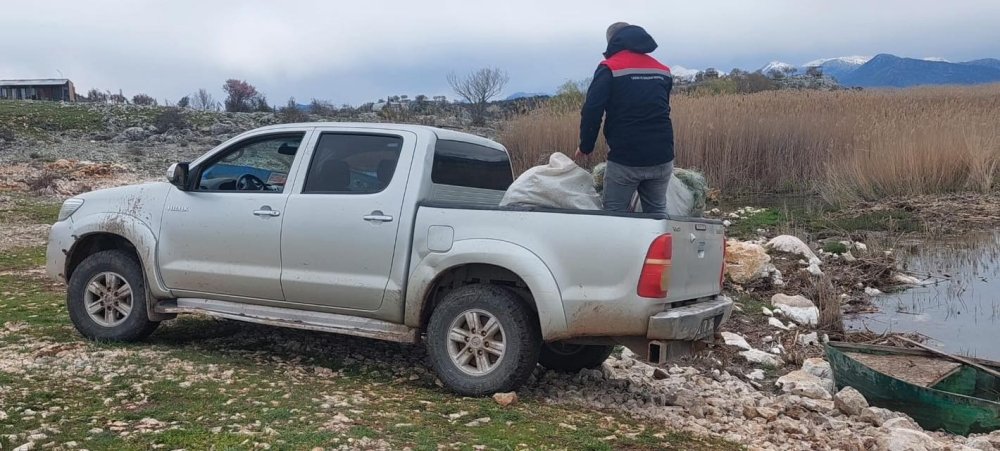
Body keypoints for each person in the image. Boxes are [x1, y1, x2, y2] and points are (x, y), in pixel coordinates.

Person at [575, 22, 675, 214]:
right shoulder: (663, 69)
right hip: (663, 156)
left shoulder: (609, 67)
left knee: (615, 215)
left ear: (612, 42)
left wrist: (586, 146)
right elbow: (662, 108)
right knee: (657, 215)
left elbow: (592, 109)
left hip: (626, 159)